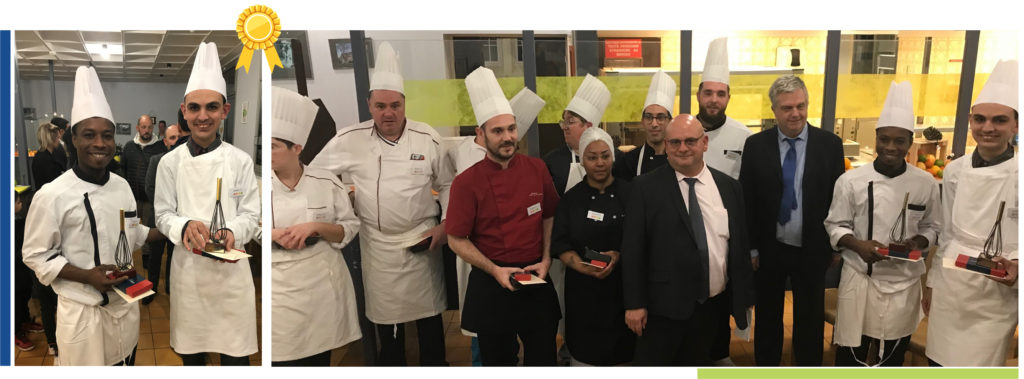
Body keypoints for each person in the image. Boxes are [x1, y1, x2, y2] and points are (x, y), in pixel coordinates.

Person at [309, 42, 453, 368]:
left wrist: (445, 228)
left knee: (430, 324)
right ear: (369, 105)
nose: (388, 113)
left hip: (422, 242)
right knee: (388, 330)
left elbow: (447, 184)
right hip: (379, 247)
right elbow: (316, 175)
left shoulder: (427, 138)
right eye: (380, 106)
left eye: (395, 105)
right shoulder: (350, 139)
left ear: (404, 104)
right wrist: (343, 200)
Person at [22, 66, 165, 367]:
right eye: (89, 135)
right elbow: (35, 255)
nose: (100, 143)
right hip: (82, 317)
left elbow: (134, 232)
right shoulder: (52, 195)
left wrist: (172, 226)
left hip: (125, 311)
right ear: (73, 139)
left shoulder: (122, 186)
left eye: (107, 135)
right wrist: (88, 275)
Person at [155, 42, 261, 368]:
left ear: (225, 111)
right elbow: (162, 214)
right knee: (192, 358)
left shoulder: (240, 161)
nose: (203, 117)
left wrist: (231, 231)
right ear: (184, 110)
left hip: (232, 279)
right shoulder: (169, 163)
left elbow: (252, 215)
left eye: (212, 107)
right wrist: (184, 226)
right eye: (195, 108)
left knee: (235, 360)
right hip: (189, 277)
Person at [446, 67, 561, 368]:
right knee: (498, 362)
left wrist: (547, 259)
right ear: (481, 136)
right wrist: (494, 269)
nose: (508, 137)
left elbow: (549, 216)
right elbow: (456, 239)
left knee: (543, 359)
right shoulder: (466, 182)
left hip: (536, 278)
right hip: (491, 284)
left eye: (511, 128)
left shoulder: (536, 169)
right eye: (498, 131)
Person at [621, 115, 755, 368]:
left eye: (690, 141)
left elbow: (738, 245)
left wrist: (744, 294)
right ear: (666, 146)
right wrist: (635, 304)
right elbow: (633, 251)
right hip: (662, 309)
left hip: (711, 307)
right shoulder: (645, 187)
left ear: (704, 143)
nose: (683, 148)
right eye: (675, 142)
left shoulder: (729, 187)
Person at [824, 81, 941, 368]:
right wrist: (857, 245)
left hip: (904, 283)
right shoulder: (850, 181)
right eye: (885, 139)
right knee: (850, 355)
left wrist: (919, 242)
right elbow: (835, 225)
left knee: (893, 357)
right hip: (859, 278)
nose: (891, 147)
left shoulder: (925, 182)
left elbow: (934, 226)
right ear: (876, 139)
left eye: (899, 140)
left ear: (909, 143)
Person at [741, 75, 846, 368]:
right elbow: (746, 201)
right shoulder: (755, 145)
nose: (795, 113)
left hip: (812, 248)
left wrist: (836, 246)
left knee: (810, 322)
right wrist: (750, 249)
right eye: (787, 108)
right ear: (774, 110)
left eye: (800, 105)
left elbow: (838, 201)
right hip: (769, 249)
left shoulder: (830, 145)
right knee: (769, 319)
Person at [926, 59, 1020, 368]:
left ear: (1015, 125)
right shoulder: (954, 170)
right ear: (970, 120)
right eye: (980, 119)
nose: (988, 127)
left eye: (999, 120)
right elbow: (946, 233)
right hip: (952, 287)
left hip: (998, 291)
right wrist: (931, 284)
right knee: (939, 364)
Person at [268, 86, 362, 368]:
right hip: (279, 290)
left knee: (320, 359)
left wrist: (316, 227)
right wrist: (271, 235)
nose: (267, 153)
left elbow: (349, 228)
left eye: (273, 147)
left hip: (322, 286)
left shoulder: (327, 182)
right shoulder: (257, 184)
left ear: (296, 148)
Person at [542, 74, 620, 364]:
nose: (564, 127)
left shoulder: (616, 166)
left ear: (589, 126)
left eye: (570, 121)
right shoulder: (551, 161)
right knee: (568, 307)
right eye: (563, 121)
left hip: (612, 261)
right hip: (565, 255)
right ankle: (569, 349)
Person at [693, 38, 756, 367]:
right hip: (688, 232)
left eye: (720, 93)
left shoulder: (742, 136)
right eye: (708, 93)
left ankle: (719, 357)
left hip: (726, 237)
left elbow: (747, 193)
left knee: (721, 300)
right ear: (699, 95)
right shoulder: (684, 131)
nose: (714, 100)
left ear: (728, 97)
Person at [552, 127, 636, 368]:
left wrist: (618, 256)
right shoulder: (570, 200)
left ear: (613, 157)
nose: (600, 163)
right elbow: (561, 244)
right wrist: (582, 267)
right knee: (585, 358)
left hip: (623, 291)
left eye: (605, 155)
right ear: (581, 159)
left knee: (624, 357)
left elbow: (642, 240)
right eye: (592, 157)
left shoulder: (631, 194)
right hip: (583, 294)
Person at [142, 120, 187, 305]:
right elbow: (150, 188)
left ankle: (170, 286)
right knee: (155, 255)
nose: (176, 140)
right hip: (159, 217)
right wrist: (166, 207)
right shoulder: (156, 160)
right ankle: (151, 288)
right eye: (172, 137)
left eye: (178, 136)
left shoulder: (188, 161)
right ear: (166, 141)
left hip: (181, 217)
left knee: (173, 254)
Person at [123, 114, 169, 270]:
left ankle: (146, 259)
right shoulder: (129, 147)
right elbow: (122, 169)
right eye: (143, 127)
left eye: (150, 127)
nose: (147, 130)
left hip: (150, 200)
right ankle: (125, 258)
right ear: (137, 128)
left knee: (149, 231)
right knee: (128, 230)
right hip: (131, 200)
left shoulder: (160, 147)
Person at [615, 70, 674, 182]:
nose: (654, 124)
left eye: (660, 117)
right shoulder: (630, 161)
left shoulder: (678, 158)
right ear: (643, 121)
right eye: (649, 117)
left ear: (670, 121)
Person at [13, 190, 44, 353]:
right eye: (18, 202)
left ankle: (25, 321)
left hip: (22, 273)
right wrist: (29, 251)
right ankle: (15, 333)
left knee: (24, 298)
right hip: (12, 276)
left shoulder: (18, 221)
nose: (21, 204)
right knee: (14, 305)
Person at [32, 123, 66, 190]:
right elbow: (53, 184)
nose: (59, 141)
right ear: (50, 139)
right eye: (58, 137)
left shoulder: (41, 155)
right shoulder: (45, 159)